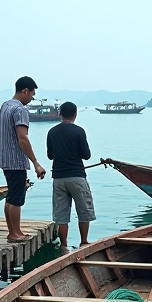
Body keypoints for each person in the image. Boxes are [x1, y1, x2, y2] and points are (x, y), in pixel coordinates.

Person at [0, 76, 46, 242]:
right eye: (32, 95)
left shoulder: (5, 106)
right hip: (16, 160)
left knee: (11, 195)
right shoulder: (20, 110)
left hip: (4, 158)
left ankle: (12, 231)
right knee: (17, 198)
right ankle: (15, 232)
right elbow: (23, 138)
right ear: (25, 91)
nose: (31, 99)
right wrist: (36, 163)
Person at [46, 102, 95, 251]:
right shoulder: (79, 131)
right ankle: (84, 241)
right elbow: (86, 155)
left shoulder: (52, 132)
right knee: (84, 211)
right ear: (75, 114)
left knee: (61, 214)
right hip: (77, 176)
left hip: (59, 178)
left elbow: (50, 155)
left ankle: (64, 245)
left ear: (60, 114)